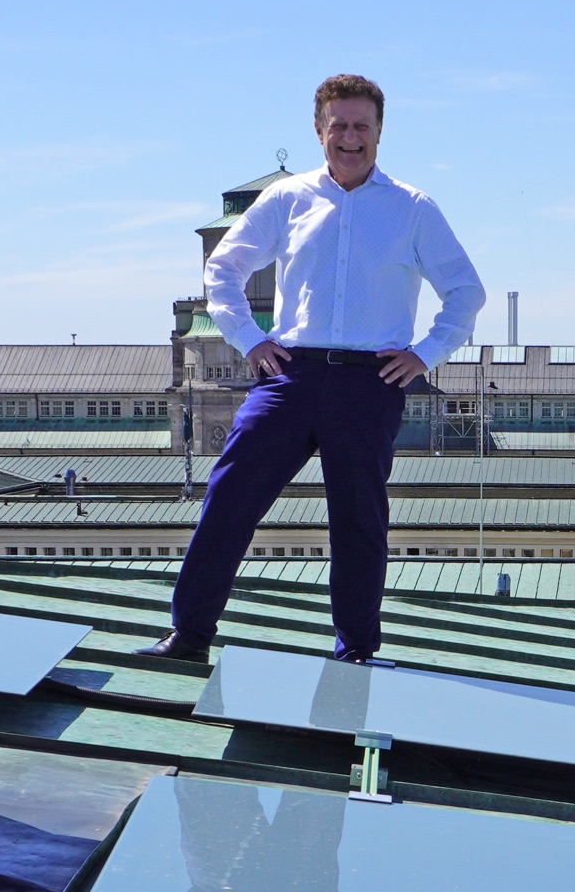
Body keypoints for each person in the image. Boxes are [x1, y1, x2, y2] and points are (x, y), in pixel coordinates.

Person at [148, 75, 483, 664]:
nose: (350, 138)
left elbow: (465, 291)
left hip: (369, 382)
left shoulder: (412, 209)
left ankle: (355, 651)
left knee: (358, 519)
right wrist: (249, 340)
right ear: (319, 130)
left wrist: (424, 354)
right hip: (290, 376)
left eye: (361, 126)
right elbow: (222, 269)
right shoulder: (288, 199)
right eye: (339, 126)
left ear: (379, 131)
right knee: (229, 496)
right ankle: (190, 636)